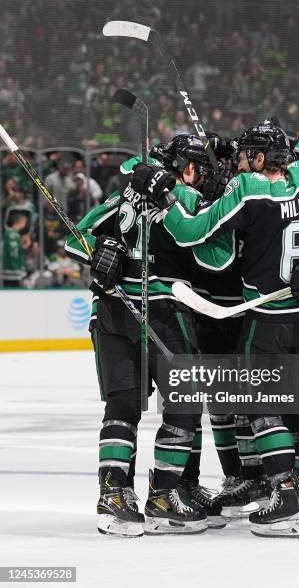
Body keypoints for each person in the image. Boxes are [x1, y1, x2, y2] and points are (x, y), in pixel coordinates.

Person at [128, 122, 299, 537]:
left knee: (261, 407)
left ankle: (285, 496)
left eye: (243, 155)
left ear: (258, 159)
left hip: (269, 319)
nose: (236, 163)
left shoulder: (248, 191)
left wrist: (169, 194)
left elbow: (190, 231)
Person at [65, 135, 220, 536]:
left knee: (123, 408)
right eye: (198, 168)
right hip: (159, 312)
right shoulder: (183, 200)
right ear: (185, 167)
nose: (201, 176)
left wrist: (101, 244)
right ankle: (161, 495)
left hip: (120, 314)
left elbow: (75, 237)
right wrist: (105, 248)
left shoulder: (126, 195)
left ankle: (116, 495)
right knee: (178, 405)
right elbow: (208, 248)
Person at [2, 212, 28, 287]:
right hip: (12, 271)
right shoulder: (11, 234)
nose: (25, 224)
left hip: (13, 270)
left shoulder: (13, 234)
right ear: (20, 221)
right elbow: (13, 252)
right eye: (25, 221)